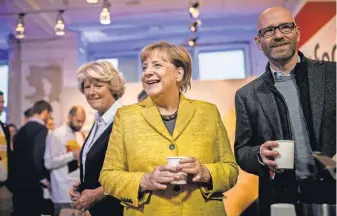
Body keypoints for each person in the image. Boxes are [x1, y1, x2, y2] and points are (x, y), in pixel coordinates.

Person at [99, 42, 238, 216]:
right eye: (144, 67)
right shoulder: (126, 117)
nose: (147, 72)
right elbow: (108, 176)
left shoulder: (207, 112)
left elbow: (231, 170)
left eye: (157, 65)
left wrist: (206, 172)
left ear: (179, 73)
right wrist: (145, 180)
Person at [234, 7, 336, 216]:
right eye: (269, 31)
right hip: (280, 199)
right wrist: (259, 155)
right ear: (258, 42)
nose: (278, 35)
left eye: (285, 27)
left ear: (297, 32)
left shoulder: (332, 74)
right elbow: (242, 151)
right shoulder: (247, 95)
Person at [69, 61, 125, 216]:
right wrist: (84, 184)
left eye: (98, 85)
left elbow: (134, 172)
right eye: (87, 87)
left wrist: (97, 193)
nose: (91, 92)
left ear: (112, 87)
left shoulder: (125, 120)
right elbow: (102, 165)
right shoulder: (99, 121)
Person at [10, 100, 53, 216]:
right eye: (49, 115)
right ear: (44, 112)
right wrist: (43, 178)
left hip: (18, 185)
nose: (49, 118)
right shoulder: (42, 130)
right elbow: (37, 156)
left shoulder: (20, 131)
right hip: (33, 186)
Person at [44, 106, 86, 216]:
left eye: (82, 122)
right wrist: (72, 155)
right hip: (62, 193)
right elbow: (48, 163)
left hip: (78, 192)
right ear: (70, 117)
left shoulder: (79, 135)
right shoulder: (56, 135)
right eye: (78, 121)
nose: (80, 125)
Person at [0, 91, 12, 216]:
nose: (2, 105)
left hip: (4, 184)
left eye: (3, 102)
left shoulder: (4, 127)